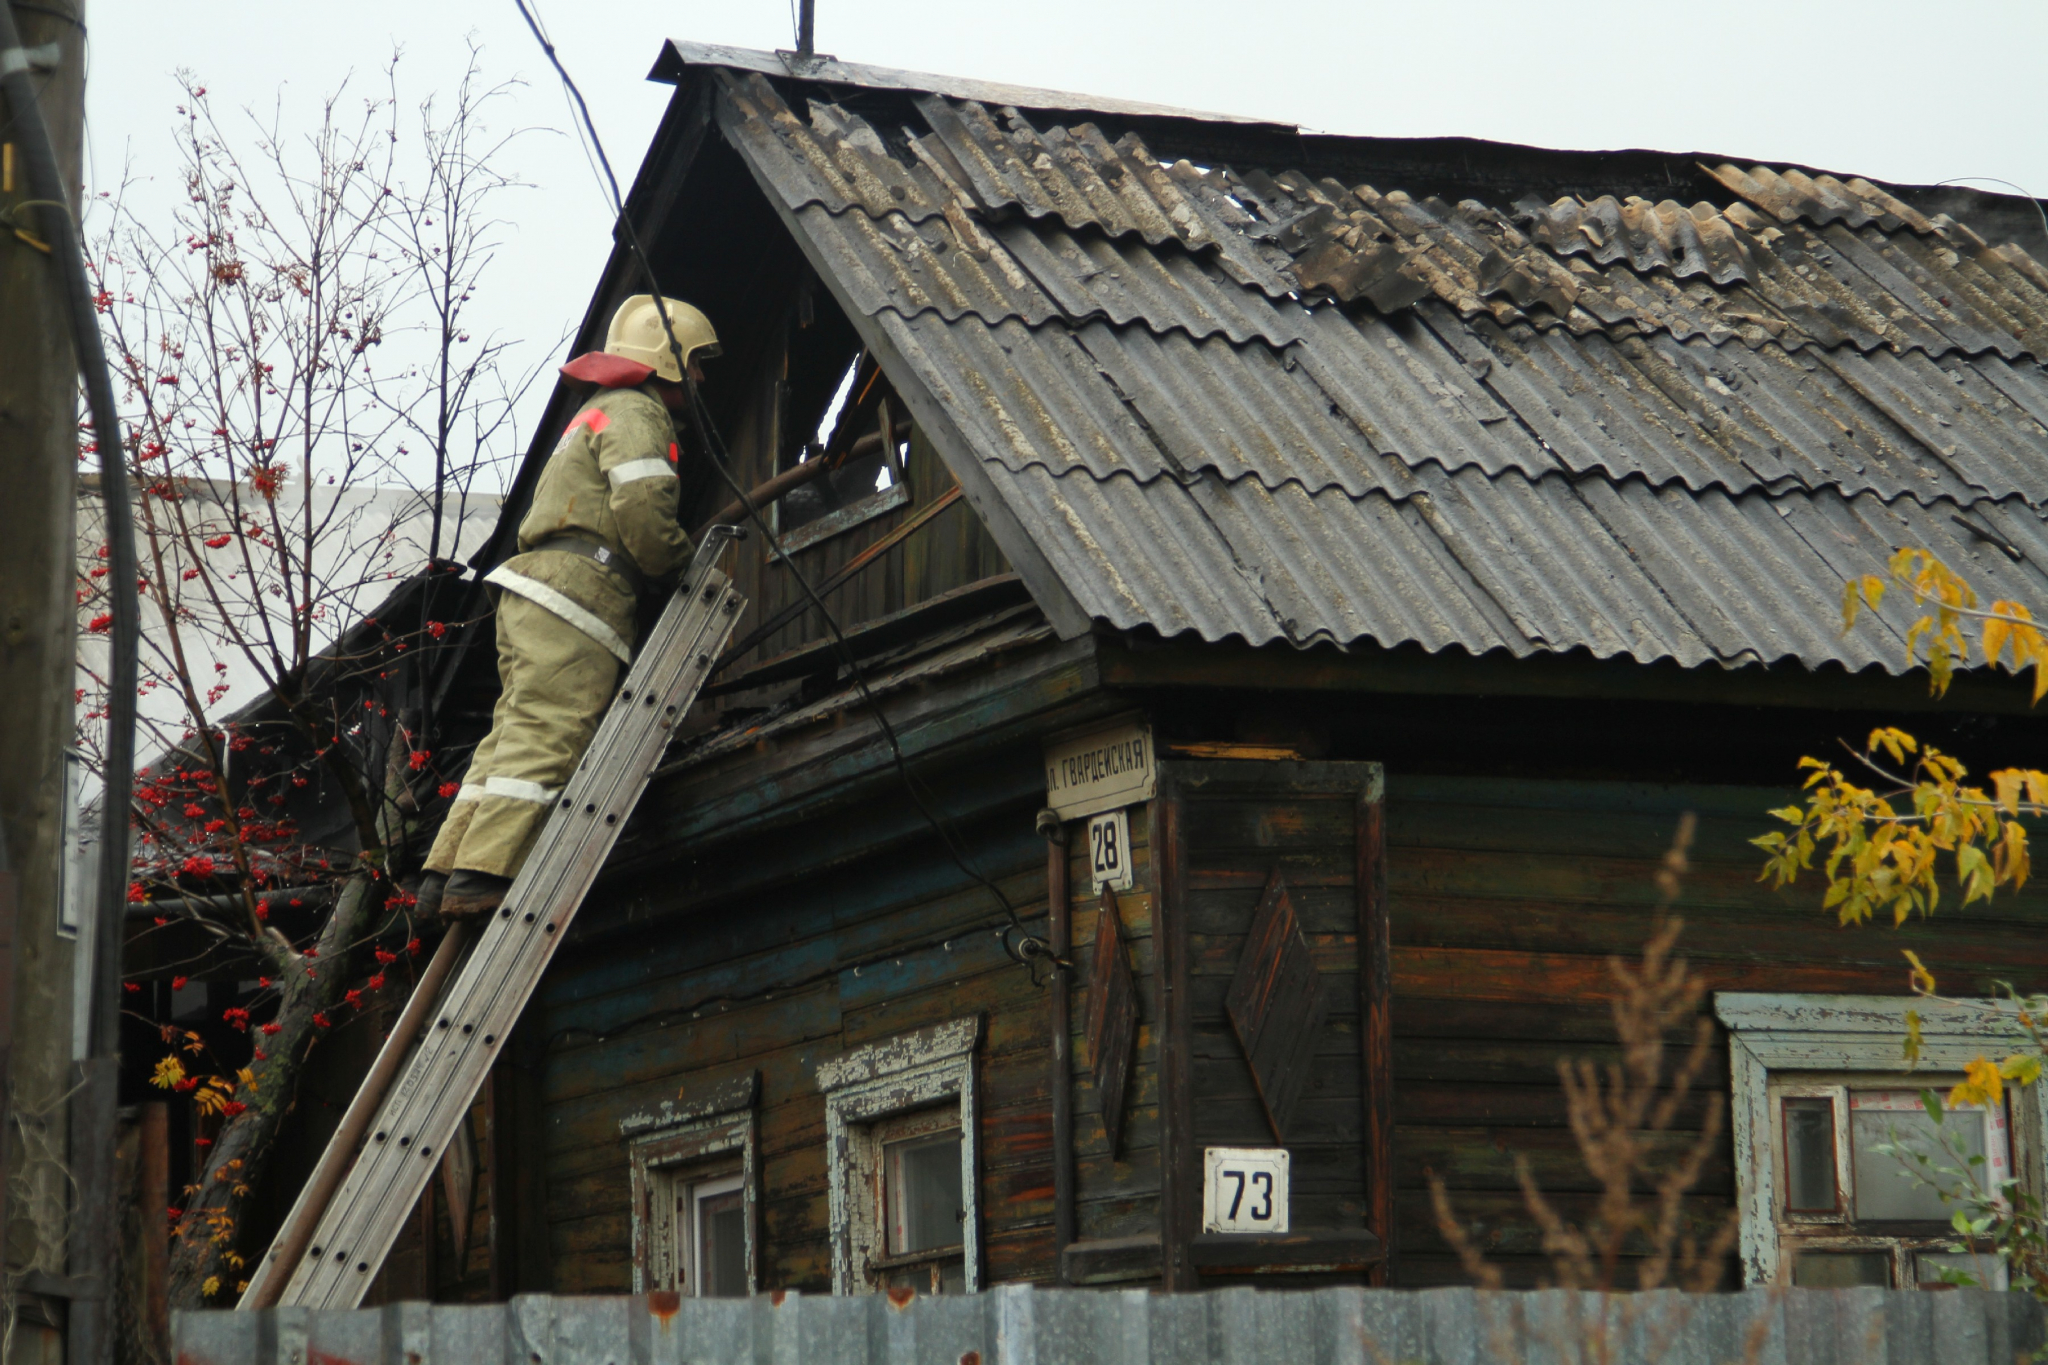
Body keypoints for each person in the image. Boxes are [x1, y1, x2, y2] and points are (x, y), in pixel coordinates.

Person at [416, 295, 718, 922]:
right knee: (553, 729)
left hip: (537, 588)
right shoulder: (638, 412)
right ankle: (483, 875)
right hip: (581, 591)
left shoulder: (597, 411)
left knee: (511, 733)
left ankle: (444, 871)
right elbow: (642, 512)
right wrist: (683, 564)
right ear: (668, 359)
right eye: (696, 363)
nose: (702, 379)